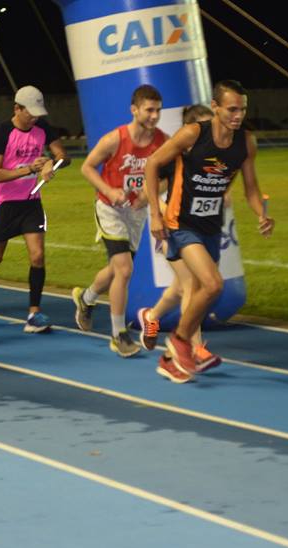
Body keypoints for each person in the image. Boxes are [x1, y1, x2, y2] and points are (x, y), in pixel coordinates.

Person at [144, 80, 275, 383]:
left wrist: (261, 214)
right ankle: (181, 343)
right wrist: (154, 214)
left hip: (210, 225)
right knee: (212, 284)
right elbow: (152, 164)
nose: (238, 115)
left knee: (206, 291)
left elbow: (252, 190)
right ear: (215, 107)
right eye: (231, 109)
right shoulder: (193, 134)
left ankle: (169, 358)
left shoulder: (246, 143)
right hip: (180, 223)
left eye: (242, 109)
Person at [72, 84, 167, 358]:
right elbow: (87, 167)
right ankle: (118, 335)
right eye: (149, 110)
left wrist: (148, 197)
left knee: (116, 270)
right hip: (110, 209)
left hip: (136, 213)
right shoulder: (115, 139)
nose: (154, 116)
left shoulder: (162, 141)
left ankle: (86, 298)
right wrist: (110, 191)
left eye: (158, 110)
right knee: (124, 270)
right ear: (134, 110)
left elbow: (168, 177)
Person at [135, 104, 224, 372]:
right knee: (191, 286)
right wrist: (157, 212)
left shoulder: (211, 161)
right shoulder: (175, 156)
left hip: (199, 229)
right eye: (206, 127)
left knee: (180, 287)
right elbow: (151, 184)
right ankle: (194, 348)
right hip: (173, 227)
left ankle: (152, 316)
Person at [0, 85, 67, 332]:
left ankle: (34, 314)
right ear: (17, 108)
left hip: (31, 201)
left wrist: (50, 164)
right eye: (30, 112)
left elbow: (63, 157)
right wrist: (30, 169)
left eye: (38, 113)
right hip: (3, 202)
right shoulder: (2, 131)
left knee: (37, 256)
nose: (34, 117)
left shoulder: (43, 128)